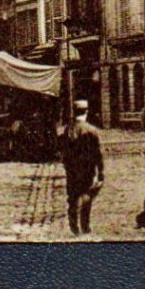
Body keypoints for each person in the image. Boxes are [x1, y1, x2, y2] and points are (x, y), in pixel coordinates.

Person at [60, 98, 104, 236]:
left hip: (72, 169)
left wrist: (67, 165)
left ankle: (74, 227)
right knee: (87, 195)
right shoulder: (92, 130)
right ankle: (85, 226)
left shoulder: (68, 129)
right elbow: (98, 153)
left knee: (72, 197)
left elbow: (63, 150)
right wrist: (100, 170)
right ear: (86, 112)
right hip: (87, 168)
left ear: (74, 112)